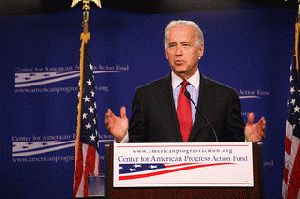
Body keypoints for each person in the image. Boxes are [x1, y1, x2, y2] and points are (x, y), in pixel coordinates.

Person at [105, 20, 266, 143]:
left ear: (200, 50)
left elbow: (236, 149)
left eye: (185, 45)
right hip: (161, 185)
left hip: (210, 184)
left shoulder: (225, 97)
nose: (178, 52)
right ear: (166, 52)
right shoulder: (146, 96)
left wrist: (249, 143)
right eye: (172, 45)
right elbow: (136, 149)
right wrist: (123, 138)